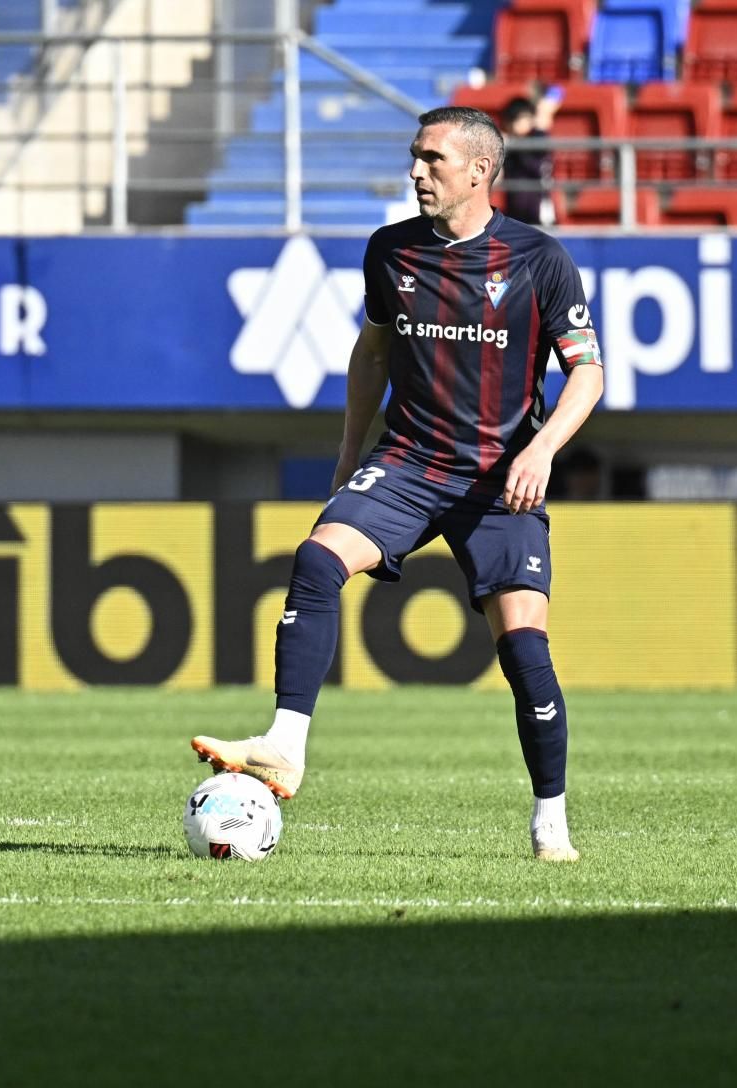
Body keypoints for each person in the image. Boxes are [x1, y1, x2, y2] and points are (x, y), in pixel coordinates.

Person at [193, 106, 605, 862]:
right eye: (415, 156)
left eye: (432, 159)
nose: (416, 171)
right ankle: (286, 745)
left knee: (523, 651)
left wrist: (543, 450)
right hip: (411, 461)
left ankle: (551, 821)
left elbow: (589, 370)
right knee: (316, 561)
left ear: (479, 172)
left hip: (498, 478)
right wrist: (350, 454)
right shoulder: (390, 251)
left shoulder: (539, 260)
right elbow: (372, 354)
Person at [498, 86, 561, 226]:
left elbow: (558, 90)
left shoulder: (538, 138)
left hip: (539, 210)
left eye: (523, 119)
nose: (517, 125)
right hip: (515, 210)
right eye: (513, 121)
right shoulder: (508, 147)